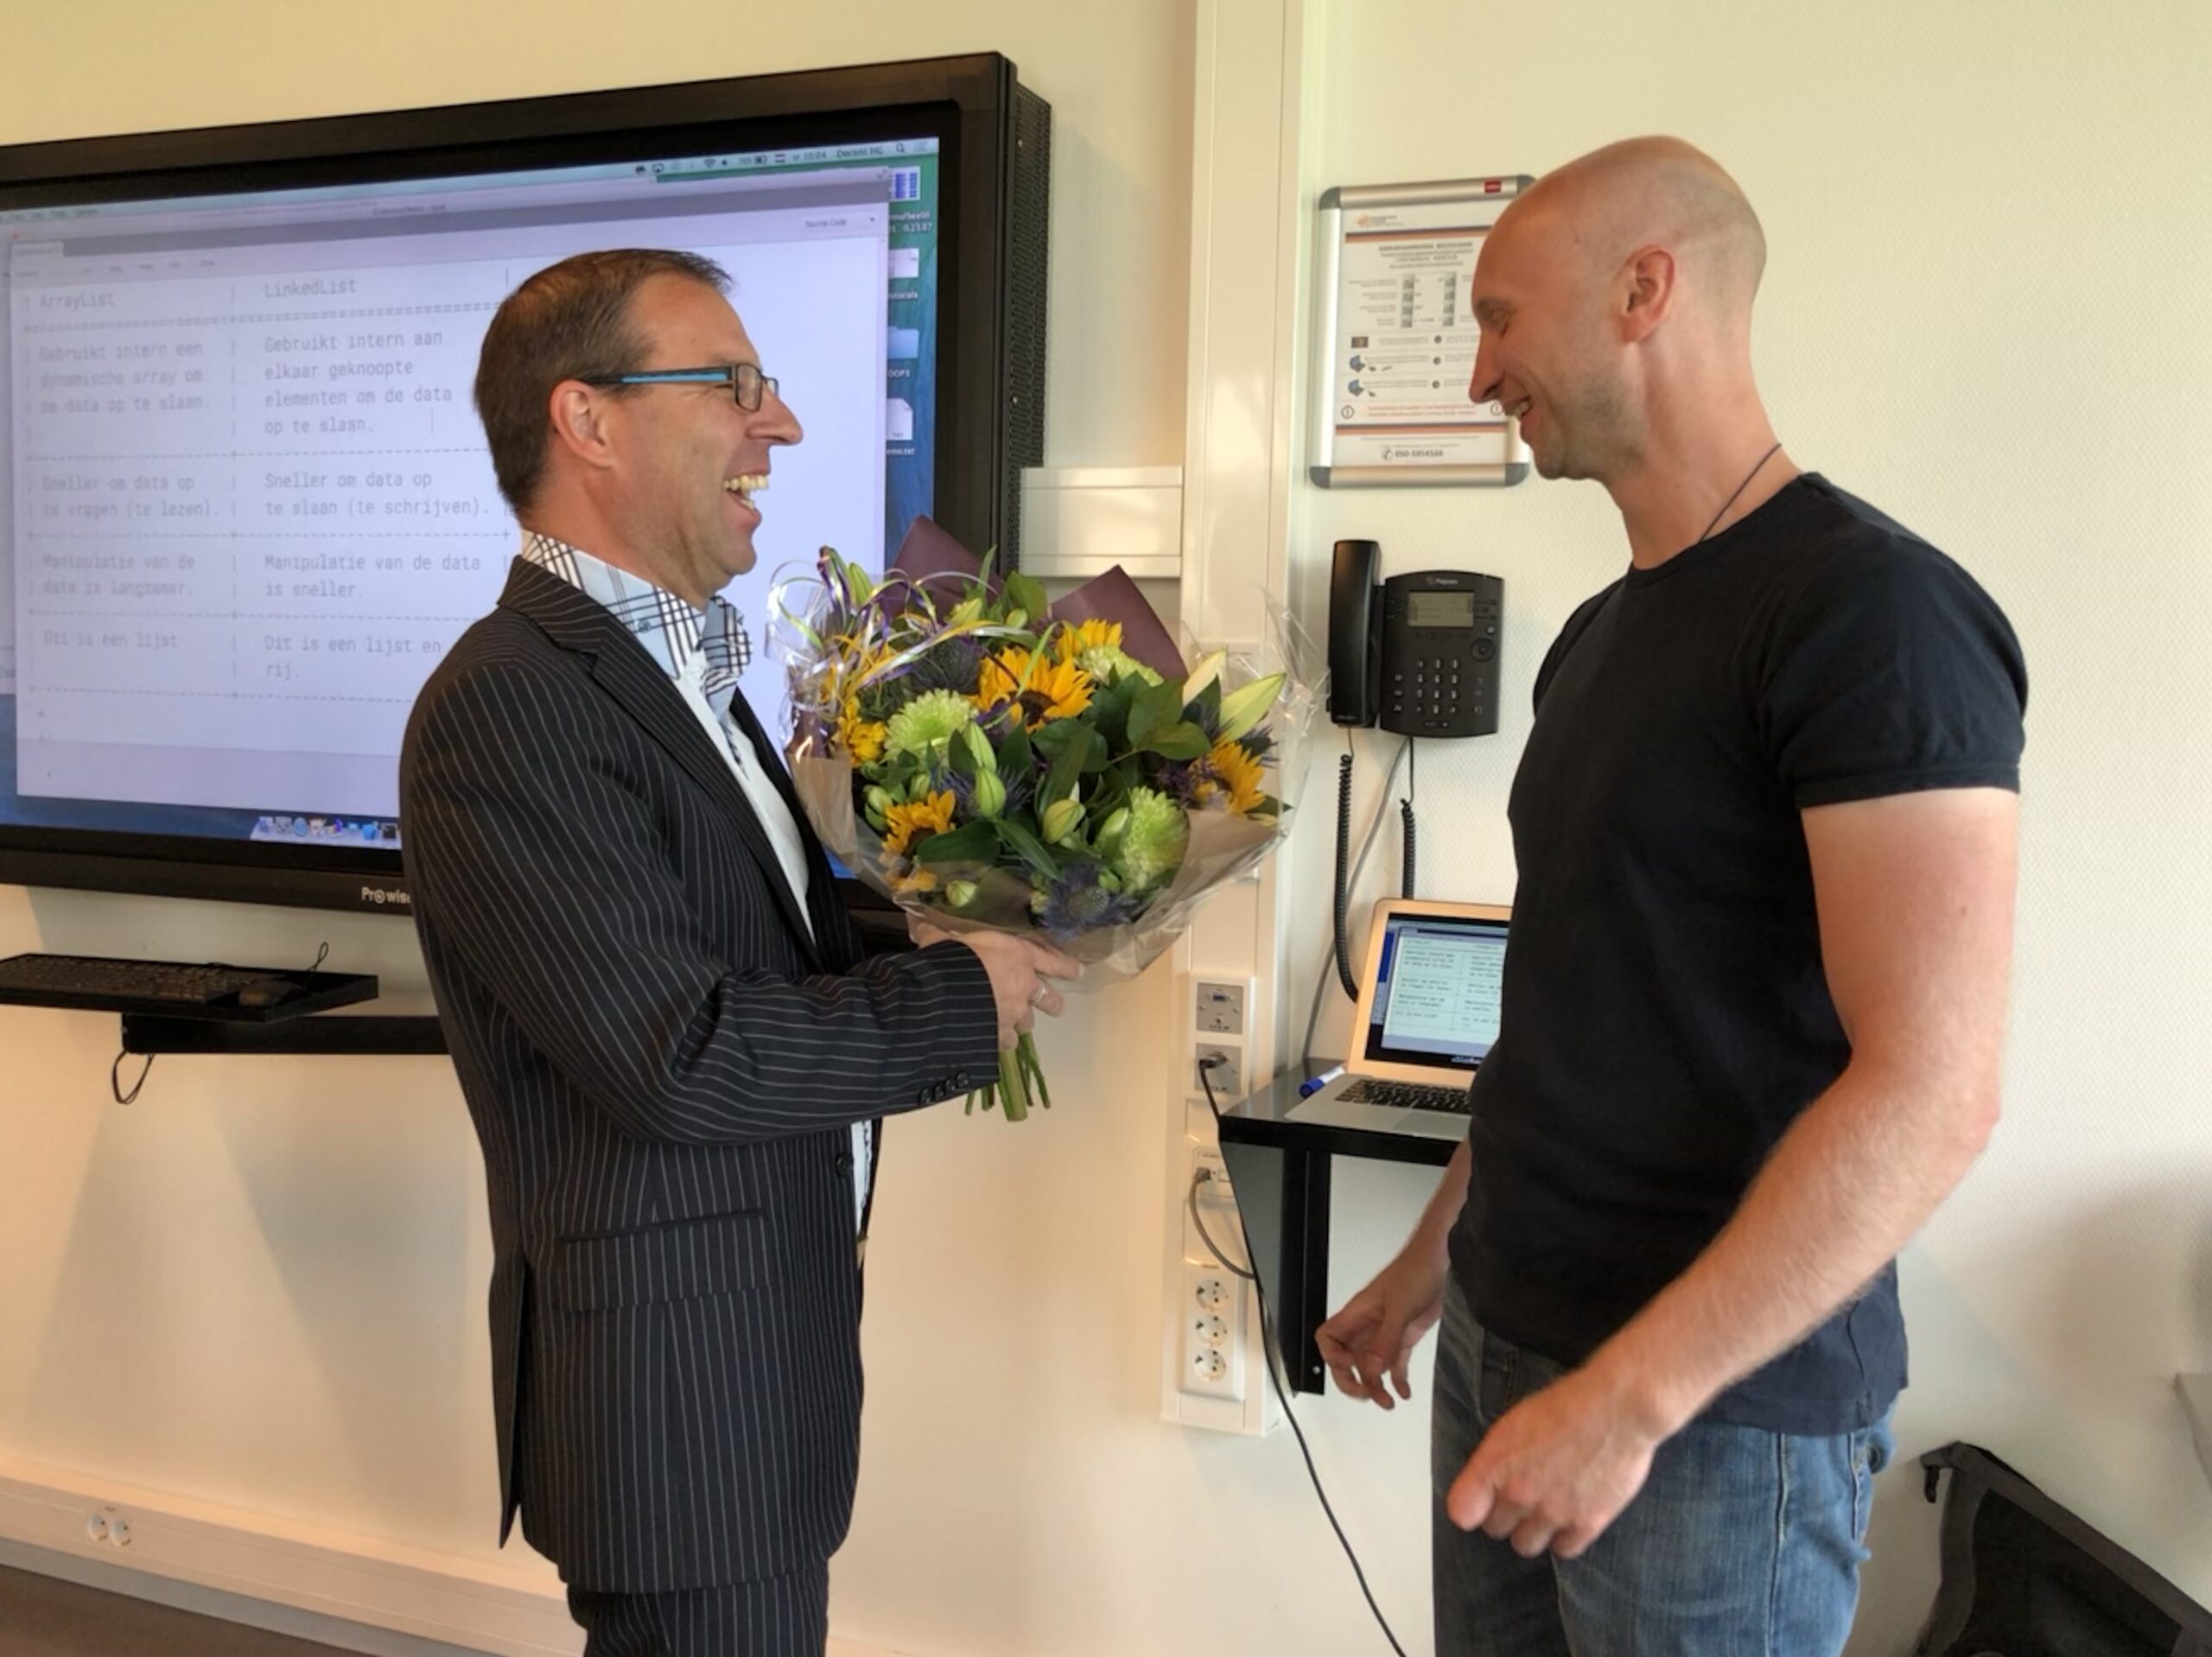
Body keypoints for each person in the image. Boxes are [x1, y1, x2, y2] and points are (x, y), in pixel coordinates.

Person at [1317, 138, 2026, 1656]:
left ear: (1644, 290)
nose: (1480, 374)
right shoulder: (1598, 639)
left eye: (1501, 318)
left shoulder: (1872, 616)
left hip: (1707, 1426)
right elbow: (1570, 1016)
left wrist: (1630, 1401)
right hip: (1508, 1347)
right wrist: (1433, 1260)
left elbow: (1935, 1089)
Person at [399, 248, 1077, 1657]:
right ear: (588, 420)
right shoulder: (510, 703)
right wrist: (961, 996)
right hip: (676, 1409)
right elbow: (681, 1053)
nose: (783, 424)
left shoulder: (678, 673)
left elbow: (744, 947)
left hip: (745, 1380)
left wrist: (954, 911)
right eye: (734, 385)